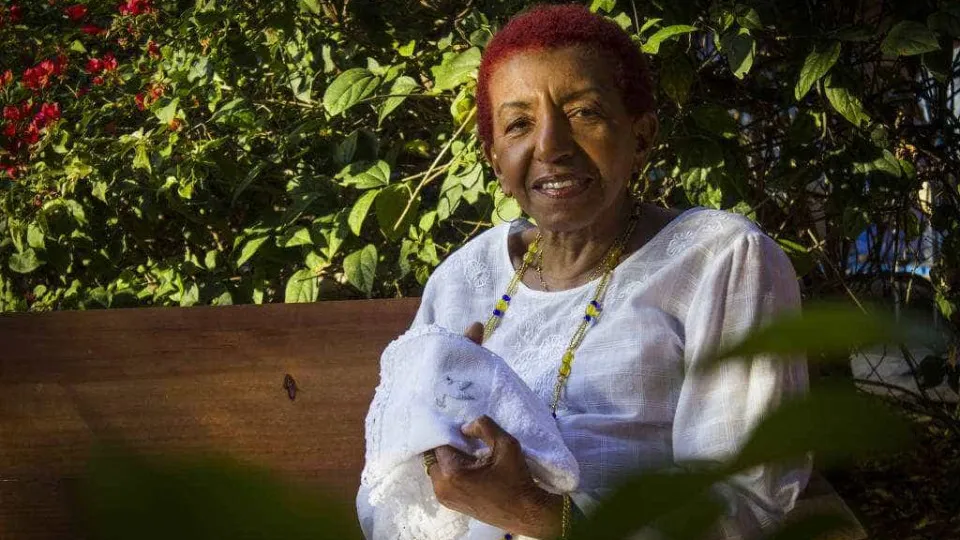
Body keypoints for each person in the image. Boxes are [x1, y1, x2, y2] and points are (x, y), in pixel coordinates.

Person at [365, 4, 810, 538]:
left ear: (641, 136)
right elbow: (392, 477)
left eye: (584, 113)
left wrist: (534, 512)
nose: (550, 146)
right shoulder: (463, 279)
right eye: (519, 124)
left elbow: (745, 502)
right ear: (496, 160)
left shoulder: (719, 260)